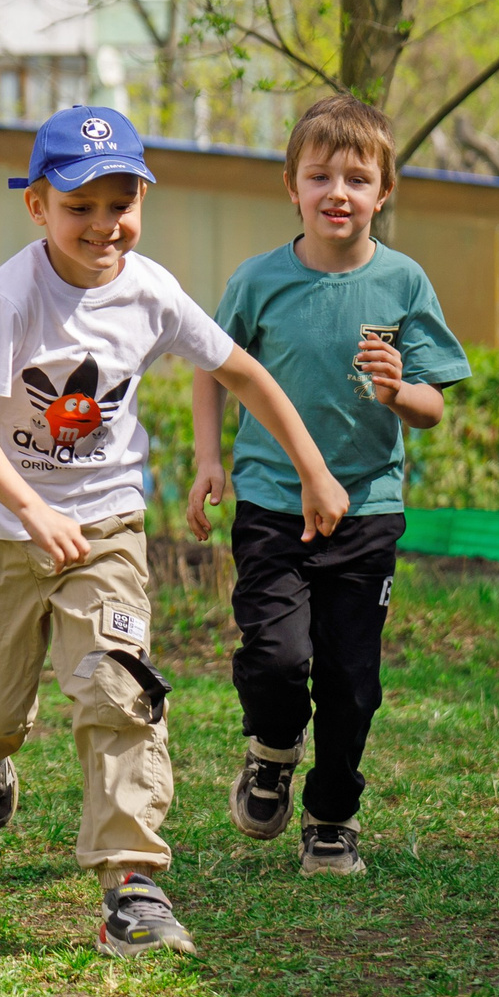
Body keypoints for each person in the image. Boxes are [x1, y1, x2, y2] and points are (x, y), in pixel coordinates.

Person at [0, 105, 348, 958]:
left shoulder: (150, 290)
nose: (103, 224)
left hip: (107, 524)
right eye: (80, 204)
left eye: (121, 202)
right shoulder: (8, 299)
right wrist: (31, 510)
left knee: (117, 687)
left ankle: (131, 882)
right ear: (38, 205)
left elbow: (240, 370)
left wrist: (312, 466)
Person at [187, 94, 469, 878]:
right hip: (273, 503)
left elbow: (434, 406)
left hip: (368, 510)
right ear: (292, 187)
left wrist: (399, 391)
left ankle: (333, 815)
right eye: (320, 176)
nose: (337, 191)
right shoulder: (259, 281)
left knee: (352, 682)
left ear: (383, 193)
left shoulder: (405, 284)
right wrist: (211, 460)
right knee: (277, 658)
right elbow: (215, 370)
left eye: (357, 176)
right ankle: (273, 747)